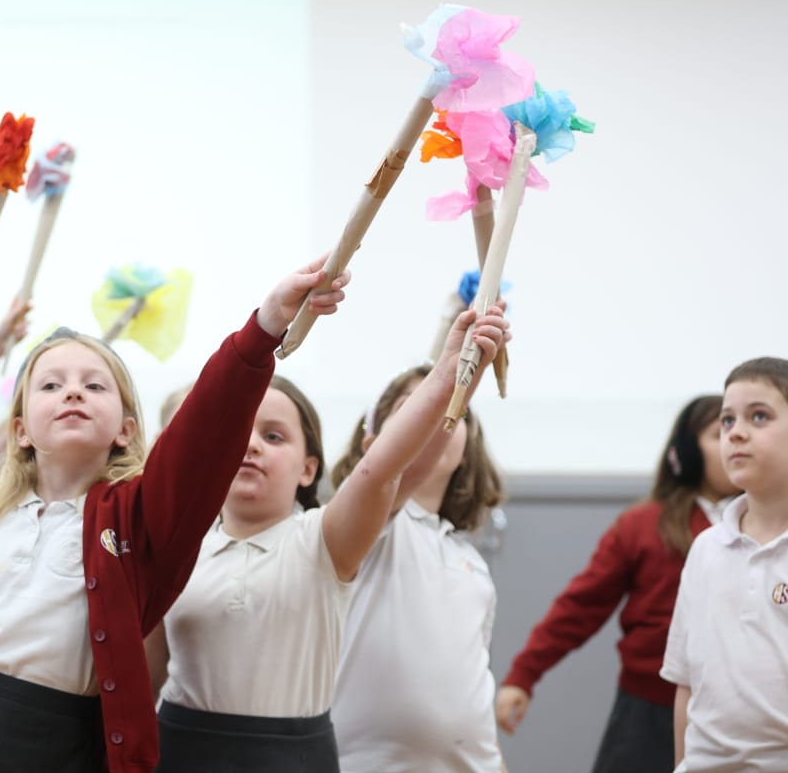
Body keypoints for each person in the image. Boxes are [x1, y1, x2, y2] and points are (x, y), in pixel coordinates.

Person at [0, 256, 350, 773]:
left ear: (126, 430)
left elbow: (203, 434)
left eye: (94, 385)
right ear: (20, 430)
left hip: (53, 744)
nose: (72, 392)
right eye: (50, 384)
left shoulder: (137, 523)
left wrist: (265, 326)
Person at [148, 306, 509, 772]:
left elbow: (386, 468)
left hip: (289, 756)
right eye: (238, 431)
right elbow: (145, 678)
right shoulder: (178, 550)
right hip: (182, 750)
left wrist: (452, 374)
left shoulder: (321, 542)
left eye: (274, 436)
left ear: (308, 468)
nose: (251, 445)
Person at [498, 395, 735, 773]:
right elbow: (579, 608)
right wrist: (523, 675)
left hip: (735, 713)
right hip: (646, 713)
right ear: (687, 451)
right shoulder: (642, 525)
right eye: (720, 429)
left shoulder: (763, 528)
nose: (735, 439)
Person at [328, 364, 506, 772]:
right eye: (415, 407)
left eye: (457, 412)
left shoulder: (473, 564)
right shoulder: (372, 525)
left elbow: (472, 696)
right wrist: (457, 365)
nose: (438, 416)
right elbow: (396, 465)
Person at [662, 359, 788, 771]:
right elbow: (686, 684)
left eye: (759, 416)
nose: (735, 432)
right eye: (727, 420)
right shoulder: (705, 549)